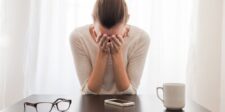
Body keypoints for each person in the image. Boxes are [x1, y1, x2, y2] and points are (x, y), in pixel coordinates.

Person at [70, 0, 150, 94]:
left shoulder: (140, 39)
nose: (108, 40)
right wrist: (102, 53)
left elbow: (129, 92)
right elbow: (89, 92)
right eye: (103, 35)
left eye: (115, 36)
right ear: (93, 19)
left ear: (126, 20)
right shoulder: (78, 37)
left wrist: (116, 53)